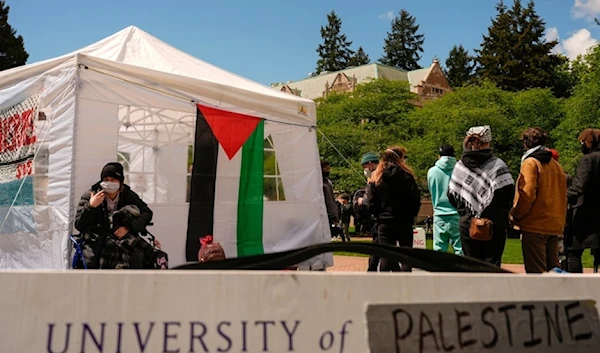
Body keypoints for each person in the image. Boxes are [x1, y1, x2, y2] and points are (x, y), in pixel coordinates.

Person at [448, 126, 514, 267]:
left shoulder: (460, 167)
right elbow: (507, 195)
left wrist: (465, 213)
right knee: (492, 266)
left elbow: (452, 196)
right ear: (488, 142)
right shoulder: (498, 165)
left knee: (471, 266)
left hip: (467, 223)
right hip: (493, 223)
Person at [73, 162, 154, 269]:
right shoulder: (91, 195)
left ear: (120, 182)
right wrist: (91, 207)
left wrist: (128, 228)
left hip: (123, 241)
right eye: (106, 179)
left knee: (137, 257)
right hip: (96, 243)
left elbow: (147, 213)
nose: (109, 183)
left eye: (113, 180)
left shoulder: (128, 195)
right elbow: (79, 224)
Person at [511, 128, 567, 273]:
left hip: (534, 225)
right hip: (553, 224)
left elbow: (527, 194)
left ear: (526, 143)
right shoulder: (556, 165)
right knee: (553, 272)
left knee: (537, 275)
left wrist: (516, 214)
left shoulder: (531, 163)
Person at [365, 146, 421, 272]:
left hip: (385, 221)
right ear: (399, 158)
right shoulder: (407, 176)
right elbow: (415, 199)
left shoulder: (377, 178)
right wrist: (411, 214)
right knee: (406, 256)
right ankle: (406, 286)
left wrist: (379, 215)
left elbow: (371, 202)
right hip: (404, 221)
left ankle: (385, 287)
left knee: (387, 256)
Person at [566, 128, 600, 273]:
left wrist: (563, 196)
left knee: (573, 252)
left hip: (585, 213)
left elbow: (579, 186)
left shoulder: (589, 159)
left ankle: (576, 288)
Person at [427, 144, 462, 255]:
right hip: (457, 214)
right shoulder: (460, 170)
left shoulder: (432, 172)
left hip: (439, 215)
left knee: (439, 251)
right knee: (460, 250)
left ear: (439, 155)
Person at [353, 152, 381, 271]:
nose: (364, 170)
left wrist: (362, 200)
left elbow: (372, 198)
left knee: (378, 247)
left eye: (364, 167)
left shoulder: (376, 177)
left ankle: (372, 271)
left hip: (378, 218)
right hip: (383, 217)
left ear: (370, 164)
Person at [321, 160, 339, 235]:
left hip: (329, 215)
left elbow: (331, 200)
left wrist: (334, 215)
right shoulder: (318, 182)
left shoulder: (328, 182)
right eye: (326, 169)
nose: (328, 171)